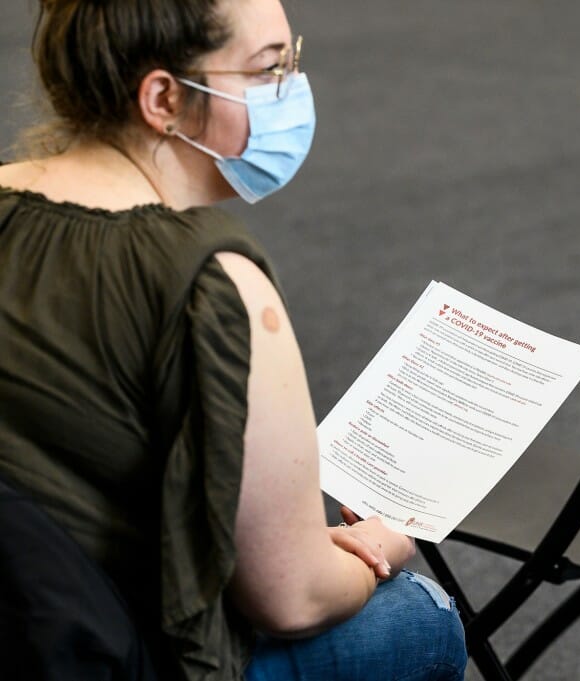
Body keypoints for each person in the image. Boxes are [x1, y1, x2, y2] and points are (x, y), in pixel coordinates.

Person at [0, 1, 467, 679]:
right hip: (101, 649)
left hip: (26, 613)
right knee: (421, 616)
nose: (292, 90)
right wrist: (377, 545)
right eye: (269, 69)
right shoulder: (212, 283)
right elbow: (292, 599)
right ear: (162, 97)